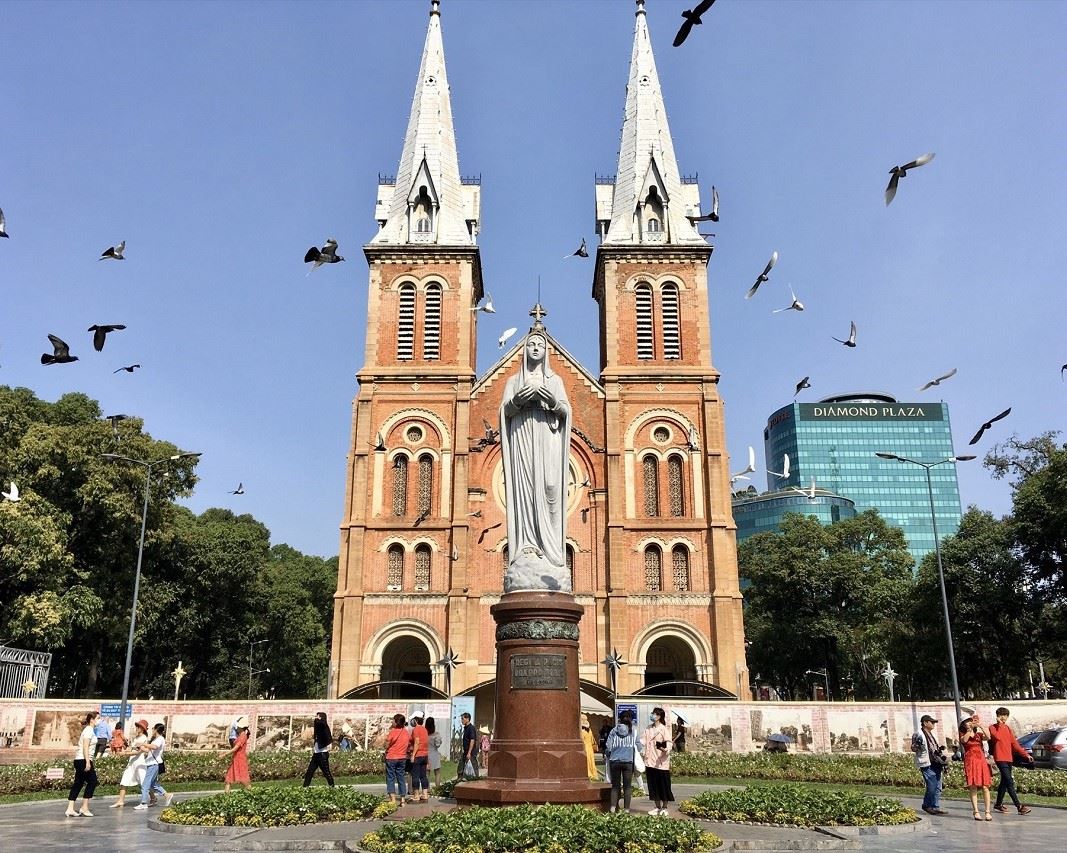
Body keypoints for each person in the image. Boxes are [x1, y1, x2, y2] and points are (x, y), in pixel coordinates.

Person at [499, 328, 573, 593]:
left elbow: (565, 411)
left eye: (540, 345)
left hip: (548, 441)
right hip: (522, 441)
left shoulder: (555, 380)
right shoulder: (513, 381)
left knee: (550, 487)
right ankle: (528, 546)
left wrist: (552, 400)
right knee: (526, 493)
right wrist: (516, 402)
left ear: (546, 351)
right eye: (531, 344)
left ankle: (551, 551)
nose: (535, 348)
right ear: (525, 350)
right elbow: (504, 411)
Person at [988, 706, 1033, 815]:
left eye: (1005, 715)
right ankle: (1019, 806)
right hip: (1000, 758)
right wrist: (999, 725)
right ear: (997, 716)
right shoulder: (992, 727)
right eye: (1001, 715)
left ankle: (998, 804)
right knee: (1009, 781)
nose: (1003, 717)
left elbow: (1015, 744)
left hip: (1009, 758)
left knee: (1004, 782)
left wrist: (1026, 755)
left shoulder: (1008, 728)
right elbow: (997, 737)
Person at [605, 711, 644, 814]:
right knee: (627, 787)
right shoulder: (634, 731)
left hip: (615, 761)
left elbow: (608, 747)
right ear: (631, 719)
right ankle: (626, 810)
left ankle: (613, 808)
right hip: (628, 762)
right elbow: (639, 747)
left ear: (620, 719)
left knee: (615, 786)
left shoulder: (614, 730)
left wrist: (609, 754)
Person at [910, 714, 948, 815]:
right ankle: (927, 805)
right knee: (932, 785)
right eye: (932, 722)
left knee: (938, 787)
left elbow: (934, 749)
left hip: (936, 762)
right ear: (925, 723)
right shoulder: (918, 734)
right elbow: (913, 748)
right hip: (926, 763)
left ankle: (935, 806)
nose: (933, 724)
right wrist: (917, 744)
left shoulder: (932, 734)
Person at [65, 711, 100, 817]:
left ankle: (70, 808)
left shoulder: (90, 730)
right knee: (92, 781)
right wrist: (88, 762)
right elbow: (85, 747)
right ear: (92, 720)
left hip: (80, 759)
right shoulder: (89, 730)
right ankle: (84, 807)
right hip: (83, 760)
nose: (99, 720)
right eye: (98, 718)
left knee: (78, 783)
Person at [960, 715, 993, 820]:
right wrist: (969, 730)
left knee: (985, 786)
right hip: (970, 761)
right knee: (973, 786)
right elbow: (965, 740)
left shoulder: (978, 735)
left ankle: (987, 811)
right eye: (967, 721)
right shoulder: (963, 734)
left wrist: (980, 726)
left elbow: (988, 737)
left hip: (981, 760)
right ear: (963, 724)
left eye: (970, 721)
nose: (969, 723)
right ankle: (976, 811)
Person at [110, 720, 149, 808]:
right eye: (136, 726)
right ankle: (120, 801)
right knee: (124, 780)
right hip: (132, 762)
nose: (136, 728)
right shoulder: (136, 738)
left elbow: (138, 752)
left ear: (143, 729)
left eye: (138, 727)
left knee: (143, 782)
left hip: (139, 763)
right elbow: (130, 748)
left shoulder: (143, 738)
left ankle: (152, 798)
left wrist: (125, 754)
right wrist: (123, 751)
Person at [643, 707, 674, 816]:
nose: (652, 715)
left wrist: (666, 749)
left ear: (659, 717)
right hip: (650, 761)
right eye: (652, 713)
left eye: (654, 714)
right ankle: (657, 807)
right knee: (653, 785)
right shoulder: (648, 728)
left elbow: (669, 743)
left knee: (664, 785)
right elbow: (642, 741)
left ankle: (665, 807)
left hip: (661, 762)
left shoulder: (663, 729)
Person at [135, 723, 171, 810]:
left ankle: (143, 803)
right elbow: (148, 750)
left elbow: (154, 747)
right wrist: (140, 747)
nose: (152, 731)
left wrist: (143, 744)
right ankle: (167, 795)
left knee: (145, 784)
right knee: (153, 784)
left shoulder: (160, 739)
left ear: (156, 730)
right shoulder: (156, 739)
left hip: (153, 764)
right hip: (151, 763)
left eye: (153, 729)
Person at [384, 713, 411, 805]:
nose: (392, 721)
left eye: (393, 720)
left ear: (396, 722)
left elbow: (386, 744)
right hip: (402, 758)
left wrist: (386, 746)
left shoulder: (393, 732)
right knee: (401, 777)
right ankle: (402, 799)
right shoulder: (406, 732)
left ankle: (393, 799)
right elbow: (409, 744)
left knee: (390, 777)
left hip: (391, 757)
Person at [303, 712, 335, 787]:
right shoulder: (319, 727)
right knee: (309, 772)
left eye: (318, 717)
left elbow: (320, 723)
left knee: (326, 773)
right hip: (316, 754)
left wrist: (317, 719)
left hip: (322, 754)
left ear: (322, 718)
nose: (316, 718)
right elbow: (317, 724)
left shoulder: (324, 726)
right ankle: (304, 787)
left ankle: (332, 787)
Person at [224, 721, 252, 793]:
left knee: (244, 780)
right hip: (236, 759)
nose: (236, 728)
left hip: (240, 760)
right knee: (228, 779)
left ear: (241, 728)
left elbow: (235, 748)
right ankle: (226, 797)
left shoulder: (243, 736)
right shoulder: (240, 735)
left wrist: (225, 754)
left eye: (238, 727)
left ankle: (252, 794)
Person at [408, 714, 430, 802]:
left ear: (416, 720)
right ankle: (425, 794)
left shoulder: (416, 729)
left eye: (413, 719)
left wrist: (413, 755)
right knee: (423, 776)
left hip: (418, 755)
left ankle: (416, 795)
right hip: (425, 755)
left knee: (415, 776)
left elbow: (417, 742)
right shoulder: (425, 729)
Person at [426, 716, 444, 787]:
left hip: (426, 754)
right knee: (437, 772)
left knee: (427, 773)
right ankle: (437, 788)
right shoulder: (436, 734)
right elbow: (437, 745)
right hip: (434, 754)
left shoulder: (425, 734)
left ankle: (427, 789)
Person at [460, 712, 479, 778]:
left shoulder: (471, 728)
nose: (461, 720)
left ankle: (475, 781)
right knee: (461, 769)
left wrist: (469, 752)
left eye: (463, 719)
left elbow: (472, 740)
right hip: (465, 752)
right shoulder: (466, 728)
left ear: (467, 719)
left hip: (471, 753)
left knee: (473, 770)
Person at [580, 715, 598, 781]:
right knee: (591, 762)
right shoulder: (589, 730)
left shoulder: (581, 731)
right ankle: (593, 774)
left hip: (584, 748)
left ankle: (588, 774)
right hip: (590, 748)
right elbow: (592, 740)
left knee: (586, 762)